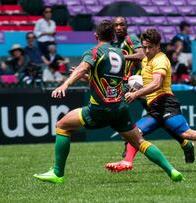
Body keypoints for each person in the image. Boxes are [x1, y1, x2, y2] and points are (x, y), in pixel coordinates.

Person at [33, 20, 184, 184]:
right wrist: (86, 78)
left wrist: (65, 84)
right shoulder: (120, 54)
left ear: (96, 36)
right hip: (119, 108)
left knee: (62, 126)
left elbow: (83, 67)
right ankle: (172, 170)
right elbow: (107, 79)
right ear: (113, 36)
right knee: (139, 142)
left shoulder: (95, 51)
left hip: (99, 109)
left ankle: (57, 173)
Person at [105, 29, 196, 173]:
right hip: (154, 108)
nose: (146, 50)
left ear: (158, 46)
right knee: (134, 133)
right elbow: (150, 88)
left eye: (149, 47)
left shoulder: (160, 60)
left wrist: (136, 94)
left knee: (187, 134)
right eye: (144, 47)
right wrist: (138, 93)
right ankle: (127, 161)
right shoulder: (146, 60)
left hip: (166, 105)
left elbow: (157, 84)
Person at [111, 16, 195, 164]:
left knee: (161, 117)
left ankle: (130, 144)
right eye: (116, 25)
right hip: (125, 85)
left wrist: (122, 57)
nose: (119, 28)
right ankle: (184, 143)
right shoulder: (115, 44)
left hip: (139, 84)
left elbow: (142, 54)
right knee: (157, 117)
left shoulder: (131, 39)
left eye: (121, 24)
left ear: (126, 25)